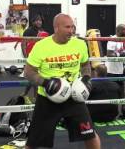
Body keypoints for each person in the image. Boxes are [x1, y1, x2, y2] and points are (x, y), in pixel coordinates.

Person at [24, 13, 101, 149]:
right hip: (48, 99)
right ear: (56, 28)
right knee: (34, 142)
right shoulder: (42, 46)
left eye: (72, 27)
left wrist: (86, 79)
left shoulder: (80, 44)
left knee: (90, 135)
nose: (71, 31)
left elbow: (85, 65)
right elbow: (29, 72)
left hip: (73, 97)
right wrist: (47, 83)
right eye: (67, 27)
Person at [21, 14, 48, 97]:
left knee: (34, 77)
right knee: (34, 77)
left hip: (40, 57)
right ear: (33, 22)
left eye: (40, 20)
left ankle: (26, 94)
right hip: (31, 57)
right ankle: (35, 98)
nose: (39, 22)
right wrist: (26, 57)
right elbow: (23, 44)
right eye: (37, 20)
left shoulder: (43, 32)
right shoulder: (28, 31)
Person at [105, 24, 125, 98]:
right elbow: (109, 54)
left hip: (119, 69)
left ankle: (124, 107)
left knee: (121, 90)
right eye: (124, 30)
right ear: (119, 30)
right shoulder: (113, 40)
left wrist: (124, 65)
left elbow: (121, 52)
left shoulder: (121, 39)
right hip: (111, 71)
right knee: (112, 91)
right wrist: (120, 54)